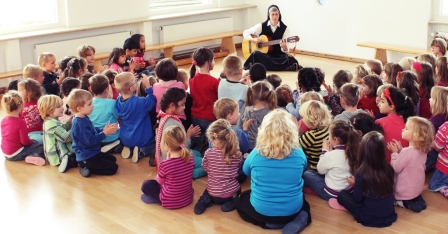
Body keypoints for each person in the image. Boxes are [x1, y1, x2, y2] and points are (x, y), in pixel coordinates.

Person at [236, 109, 312, 233]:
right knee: (304, 202)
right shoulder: (298, 152)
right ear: (291, 131)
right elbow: (302, 169)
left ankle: (268, 224)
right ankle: (302, 217)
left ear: (264, 131)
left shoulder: (256, 153)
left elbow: (246, 171)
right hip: (292, 209)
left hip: (263, 210)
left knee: (242, 200)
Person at [336, 131, 397, 227]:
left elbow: (357, 198)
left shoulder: (362, 172)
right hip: (388, 213)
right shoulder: (389, 168)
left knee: (342, 195)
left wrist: (355, 185)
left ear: (363, 150)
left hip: (369, 216)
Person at [303, 120, 360, 202]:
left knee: (307, 174)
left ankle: (317, 193)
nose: (328, 137)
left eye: (329, 135)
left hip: (331, 194)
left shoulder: (332, 155)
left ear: (336, 139)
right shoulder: (355, 150)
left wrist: (325, 151)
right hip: (348, 191)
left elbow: (320, 170)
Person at [194, 119, 242, 214]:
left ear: (215, 141)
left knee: (208, 189)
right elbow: (238, 169)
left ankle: (204, 200)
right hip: (230, 194)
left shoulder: (208, 153)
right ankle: (232, 202)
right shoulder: (237, 154)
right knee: (238, 189)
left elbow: (204, 168)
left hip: (213, 193)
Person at [68, 89, 119, 177]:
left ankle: (88, 166)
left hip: (93, 152)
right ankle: (85, 167)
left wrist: (102, 129)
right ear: (79, 108)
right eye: (89, 104)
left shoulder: (84, 117)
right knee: (113, 168)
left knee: (112, 159)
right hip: (87, 157)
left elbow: (92, 130)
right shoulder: (79, 123)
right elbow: (90, 141)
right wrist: (104, 133)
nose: (92, 106)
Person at [140, 126, 194, 209]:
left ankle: (157, 198)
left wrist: (168, 161)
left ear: (167, 145)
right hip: (188, 198)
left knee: (146, 185)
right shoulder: (190, 157)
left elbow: (159, 181)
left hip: (170, 201)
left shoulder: (165, 164)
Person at [387, 117, 433, 213]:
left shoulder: (408, 152)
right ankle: (416, 199)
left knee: (389, 196)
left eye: (406, 128)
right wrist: (400, 150)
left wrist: (394, 153)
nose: (403, 129)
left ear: (416, 135)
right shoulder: (422, 150)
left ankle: (403, 202)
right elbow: (410, 161)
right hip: (416, 189)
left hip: (404, 191)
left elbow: (395, 168)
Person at [155, 88, 202, 178]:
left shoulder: (161, 117)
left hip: (164, 159)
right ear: (172, 105)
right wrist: (188, 135)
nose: (184, 107)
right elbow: (181, 149)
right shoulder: (175, 124)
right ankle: (189, 173)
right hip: (176, 160)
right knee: (206, 163)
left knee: (197, 153)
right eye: (182, 105)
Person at [114, 72, 157, 165]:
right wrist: (148, 87)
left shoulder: (118, 101)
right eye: (135, 82)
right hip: (141, 139)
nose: (137, 83)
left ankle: (128, 147)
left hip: (125, 138)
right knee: (156, 143)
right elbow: (152, 100)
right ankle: (141, 151)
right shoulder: (139, 102)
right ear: (131, 88)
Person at [242, 5, 299, 71]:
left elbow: (286, 51)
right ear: (269, 15)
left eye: (276, 14)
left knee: (290, 59)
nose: (275, 17)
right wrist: (253, 39)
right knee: (255, 53)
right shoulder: (261, 26)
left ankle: (263, 65)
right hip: (265, 55)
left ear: (279, 15)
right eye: (272, 14)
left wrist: (284, 47)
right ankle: (281, 67)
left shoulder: (285, 29)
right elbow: (245, 32)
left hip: (278, 56)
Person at [0, 91, 45, 166]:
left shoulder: (3, 120)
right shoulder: (20, 122)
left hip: (5, 153)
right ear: (21, 105)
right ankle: (34, 156)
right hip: (16, 153)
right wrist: (32, 142)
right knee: (39, 146)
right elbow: (25, 142)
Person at [189, 47, 220, 153]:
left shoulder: (192, 79)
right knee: (212, 144)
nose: (214, 62)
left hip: (195, 117)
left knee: (198, 146)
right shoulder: (214, 82)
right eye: (213, 60)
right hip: (210, 118)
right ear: (208, 62)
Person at [38, 95, 77, 173]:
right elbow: (66, 138)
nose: (62, 108)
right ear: (49, 110)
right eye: (59, 106)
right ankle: (66, 162)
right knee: (79, 156)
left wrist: (69, 123)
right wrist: (75, 127)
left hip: (52, 158)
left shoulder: (49, 122)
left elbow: (62, 129)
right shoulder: (53, 125)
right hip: (58, 157)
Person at [375, 87, 415, 162]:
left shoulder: (379, 122)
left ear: (391, 107)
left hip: (385, 165)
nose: (379, 104)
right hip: (403, 163)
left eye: (383, 101)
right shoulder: (409, 122)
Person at [238, 81, 276, 151]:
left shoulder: (247, 109)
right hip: (266, 146)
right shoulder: (272, 112)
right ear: (269, 95)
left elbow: (242, 123)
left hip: (249, 145)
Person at [88, 74, 122, 153]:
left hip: (96, 138)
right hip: (112, 137)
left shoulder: (88, 103)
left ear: (90, 89)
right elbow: (119, 118)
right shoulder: (112, 103)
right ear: (106, 89)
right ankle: (115, 146)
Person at [299, 100, 331, 170]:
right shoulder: (328, 128)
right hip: (327, 164)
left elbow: (295, 146)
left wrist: (297, 131)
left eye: (303, 117)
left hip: (314, 168)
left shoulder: (311, 136)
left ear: (309, 119)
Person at [426, 86, 448, 172]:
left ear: (438, 103)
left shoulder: (434, 119)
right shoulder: (445, 116)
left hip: (435, 149)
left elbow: (430, 139)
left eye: (432, 98)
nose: (429, 99)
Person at [17, 78, 43, 143]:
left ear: (29, 92)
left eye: (20, 90)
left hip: (36, 134)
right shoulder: (19, 107)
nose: (18, 93)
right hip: (29, 136)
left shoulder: (40, 103)